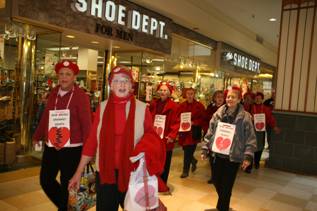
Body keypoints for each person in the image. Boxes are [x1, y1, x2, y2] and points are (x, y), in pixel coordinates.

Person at [68, 66, 165, 211]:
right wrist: (78, 172)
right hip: (106, 175)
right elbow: (92, 142)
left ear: (131, 85)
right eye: (117, 81)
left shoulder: (142, 108)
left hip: (132, 174)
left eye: (126, 81)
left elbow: (153, 139)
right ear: (111, 85)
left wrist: (144, 148)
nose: (122, 84)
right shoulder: (102, 107)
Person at [33, 60, 92, 211]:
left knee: (69, 184)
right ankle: (65, 206)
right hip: (52, 145)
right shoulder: (53, 93)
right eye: (61, 74)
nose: (64, 77)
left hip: (72, 149)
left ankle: (64, 207)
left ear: (74, 77)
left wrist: (88, 150)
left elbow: (87, 126)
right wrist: (37, 136)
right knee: (45, 180)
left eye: (68, 74)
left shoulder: (81, 96)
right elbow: (46, 116)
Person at [202, 86, 256, 211]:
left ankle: (222, 207)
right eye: (228, 97)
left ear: (239, 99)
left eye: (233, 97)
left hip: (233, 156)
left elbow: (250, 138)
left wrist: (248, 156)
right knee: (216, 180)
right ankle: (224, 202)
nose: (230, 99)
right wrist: (205, 148)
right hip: (217, 154)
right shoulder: (218, 114)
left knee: (227, 185)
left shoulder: (245, 116)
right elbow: (210, 132)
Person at [149, 81, 179, 191]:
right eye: (161, 90)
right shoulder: (153, 104)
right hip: (154, 139)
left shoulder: (174, 106)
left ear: (169, 92)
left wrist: (172, 135)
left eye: (165, 90)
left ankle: (162, 184)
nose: (163, 92)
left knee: (165, 163)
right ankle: (154, 183)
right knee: (154, 162)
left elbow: (176, 122)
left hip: (166, 139)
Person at [178, 88, 205, 178]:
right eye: (188, 94)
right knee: (186, 151)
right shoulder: (181, 105)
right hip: (184, 133)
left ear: (194, 95)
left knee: (188, 152)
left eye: (191, 94)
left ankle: (185, 171)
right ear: (185, 95)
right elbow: (177, 116)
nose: (190, 95)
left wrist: (195, 122)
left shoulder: (199, 106)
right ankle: (193, 161)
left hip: (194, 133)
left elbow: (203, 119)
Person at [251, 92, 280, 169]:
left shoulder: (265, 108)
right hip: (250, 130)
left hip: (261, 131)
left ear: (262, 99)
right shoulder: (250, 107)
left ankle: (257, 162)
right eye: (256, 98)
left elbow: (270, 118)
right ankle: (249, 162)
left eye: (259, 98)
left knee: (260, 146)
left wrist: (274, 126)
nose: (257, 100)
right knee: (250, 146)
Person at [204, 90, 224, 184]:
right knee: (212, 158)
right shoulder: (210, 108)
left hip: (223, 137)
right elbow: (206, 121)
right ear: (214, 98)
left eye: (221, 96)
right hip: (212, 136)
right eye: (218, 96)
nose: (220, 98)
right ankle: (214, 177)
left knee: (221, 158)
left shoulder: (227, 108)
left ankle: (220, 176)